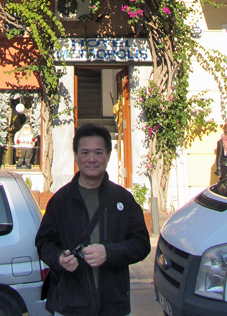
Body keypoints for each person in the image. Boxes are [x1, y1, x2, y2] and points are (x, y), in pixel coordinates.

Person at [35, 123, 150, 316]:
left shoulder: (122, 199)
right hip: (70, 303)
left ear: (108, 156)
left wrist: (109, 253)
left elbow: (141, 244)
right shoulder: (60, 201)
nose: (91, 159)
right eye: (85, 152)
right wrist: (59, 259)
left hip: (113, 304)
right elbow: (44, 243)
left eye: (98, 153)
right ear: (76, 156)